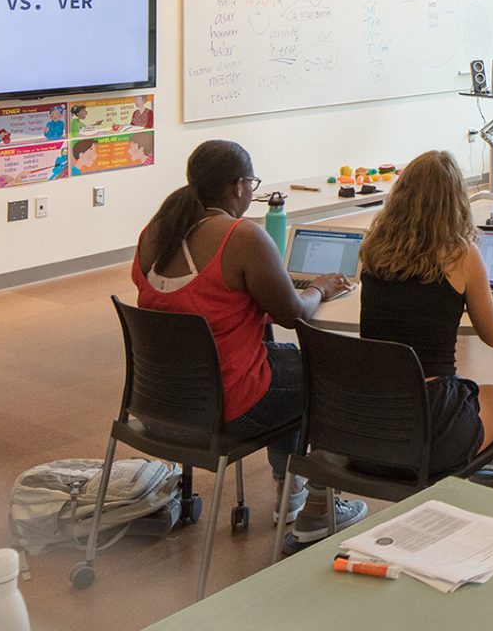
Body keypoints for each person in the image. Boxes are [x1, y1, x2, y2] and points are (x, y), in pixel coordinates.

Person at [130, 140, 366, 544]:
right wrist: (321, 288)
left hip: (158, 406)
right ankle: (314, 502)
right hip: (225, 408)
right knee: (321, 373)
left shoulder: (155, 233)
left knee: (284, 365)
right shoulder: (241, 238)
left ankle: (291, 487)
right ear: (238, 186)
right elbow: (291, 315)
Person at [358, 150, 493, 499]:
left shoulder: (374, 249)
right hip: (430, 426)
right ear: (456, 200)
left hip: (370, 424)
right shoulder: (460, 253)